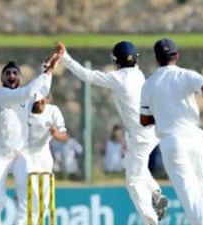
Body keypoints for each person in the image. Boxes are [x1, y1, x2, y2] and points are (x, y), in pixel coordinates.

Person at [56, 41, 167, 225]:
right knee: (130, 162)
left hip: (140, 137)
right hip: (149, 133)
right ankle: (155, 193)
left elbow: (87, 75)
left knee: (133, 182)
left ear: (116, 61)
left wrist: (65, 57)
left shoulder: (118, 78)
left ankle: (151, 220)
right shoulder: (138, 74)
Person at [140, 38, 203, 225]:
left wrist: (162, 113)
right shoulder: (185, 75)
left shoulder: (149, 84)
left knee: (189, 193)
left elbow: (145, 120)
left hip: (173, 141)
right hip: (196, 137)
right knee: (202, 184)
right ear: (177, 56)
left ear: (157, 59)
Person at [0, 53, 60, 225]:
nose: (11, 76)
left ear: (19, 76)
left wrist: (47, 68)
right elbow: (28, 92)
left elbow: (42, 91)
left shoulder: (26, 97)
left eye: (15, 73)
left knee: (28, 196)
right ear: (2, 78)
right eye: (8, 73)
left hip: (20, 154)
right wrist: (46, 72)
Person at [27, 94, 68, 222]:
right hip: (25, 155)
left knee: (43, 199)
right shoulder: (23, 110)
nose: (40, 102)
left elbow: (64, 137)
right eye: (36, 100)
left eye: (42, 99)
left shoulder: (53, 111)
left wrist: (56, 134)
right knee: (30, 195)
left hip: (43, 154)